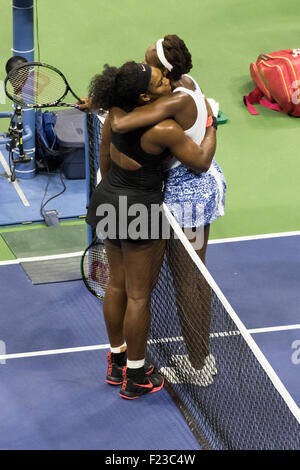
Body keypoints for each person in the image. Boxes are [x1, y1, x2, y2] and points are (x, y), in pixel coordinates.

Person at [85, 61, 216, 399]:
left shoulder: (114, 113)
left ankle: (117, 361)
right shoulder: (165, 129)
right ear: (144, 95)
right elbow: (200, 162)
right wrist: (212, 124)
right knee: (140, 296)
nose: (167, 82)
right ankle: (137, 375)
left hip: (107, 197)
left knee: (116, 285)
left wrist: (111, 192)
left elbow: (104, 154)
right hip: (140, 210)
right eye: (160, 81)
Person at [108, 35, 226, 376]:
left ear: (163, 74)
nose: (145, 67)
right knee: (193, 279)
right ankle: (200, 358)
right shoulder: (187, 82)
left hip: (190, 196)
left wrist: (107, 104)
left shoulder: (174, 102)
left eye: (150, 65)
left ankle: (199, 366)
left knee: (188, 280)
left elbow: (122, 123)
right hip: (201, 186)